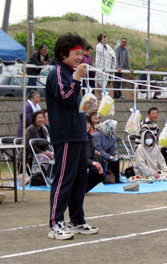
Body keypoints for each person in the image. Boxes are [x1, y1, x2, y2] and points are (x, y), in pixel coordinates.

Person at [46, 33, 98, 240]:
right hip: (65, 135)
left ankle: (77, 220)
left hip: (78, 133)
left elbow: (77, 104)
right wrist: (76, 79)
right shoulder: (57, 73)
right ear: (63, 54)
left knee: (79, 179)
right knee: (63, 179)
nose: (80, 58)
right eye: (76, 54)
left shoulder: (71, 73)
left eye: (81, 54)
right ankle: (55, 223)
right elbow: (66, 99)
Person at [135, 107, 167, 173]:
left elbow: (158, 136)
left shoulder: (155, 124)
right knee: (163, 151)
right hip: (143, 146)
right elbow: (145, 136)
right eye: (153, 113)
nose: (155, 115)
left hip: (151, 146)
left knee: (166, 148)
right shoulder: (145, 123)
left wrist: (163, 144)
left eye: (156, 113)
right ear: (148, 115)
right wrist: (157, 146)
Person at [85, 118, 105, 192]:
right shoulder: (78, 139)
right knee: (93, 170)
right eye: (84, 124)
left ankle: (84, 189)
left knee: (102, 176)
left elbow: (93, 154)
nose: (86, 126)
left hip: (89, 162)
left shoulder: (90, 137)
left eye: (88, 124)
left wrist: (98, 165)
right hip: (80, 163)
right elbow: (79, 157)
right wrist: (92, 163)